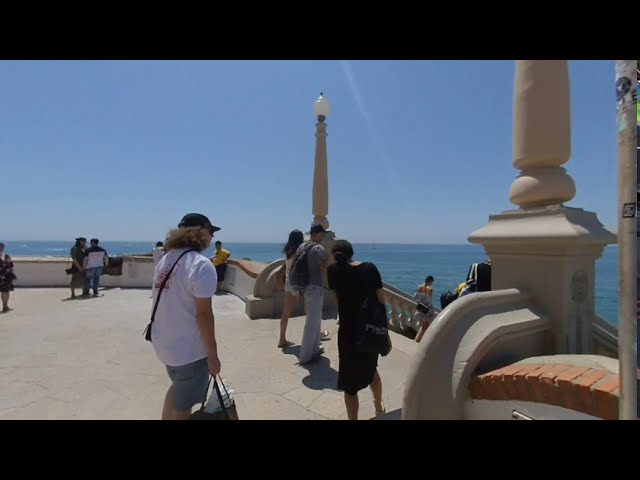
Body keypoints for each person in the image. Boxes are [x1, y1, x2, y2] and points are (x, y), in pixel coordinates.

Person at [151, 213, 222, 420]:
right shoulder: (201, 265)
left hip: (166, 345)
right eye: (210, 231)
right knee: (184, 406)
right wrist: (213, 355)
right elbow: (204, 315)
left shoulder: (166, 260)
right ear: (199, 232)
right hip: (188, 351)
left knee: (178, 390)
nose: (211, 237)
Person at [327, 240, 385, 420]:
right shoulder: (369, 268)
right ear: (351, 252)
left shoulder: (332, 271)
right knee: (371, 370)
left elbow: (336, 300)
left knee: (349, 386)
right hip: (368, 330)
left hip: (347, 334)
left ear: (335, 255)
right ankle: (378, 407)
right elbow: (381, 300)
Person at [297, 224, 330, 364]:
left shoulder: (301, 247)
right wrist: (328, 285)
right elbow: (323, 267)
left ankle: (315, 349)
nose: (322, 238)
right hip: (315, 287)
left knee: (315, 320)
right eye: (322, 235)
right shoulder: (318, 248)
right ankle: (305, 356)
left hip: (305, 287)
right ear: (316, 234)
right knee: (312, 322)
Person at [278, 229, 304, 348]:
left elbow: (283, 269)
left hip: (289, 284)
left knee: (285, 313)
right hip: (298, 285)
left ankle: (282, 339)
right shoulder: (300, 252)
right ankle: (313, 336)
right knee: (309, 311)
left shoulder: (288, 252)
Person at [412, 275, 439, 343]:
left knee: (424, 327)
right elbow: (429, 301)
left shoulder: (419, 287)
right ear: (431, 282)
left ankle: (417, 340)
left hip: (420, 310)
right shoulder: (430, 289)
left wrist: (420, 302)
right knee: (426, 327)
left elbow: (414, 297)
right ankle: (418, 341)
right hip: (427, 311)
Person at [0, 242, 16, 312]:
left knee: (6, 292)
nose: (1, 248)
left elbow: (11, 266)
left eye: (2, 247)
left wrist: (12, 275)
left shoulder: (7, 256)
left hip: (7, 277)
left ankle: (5, 306)